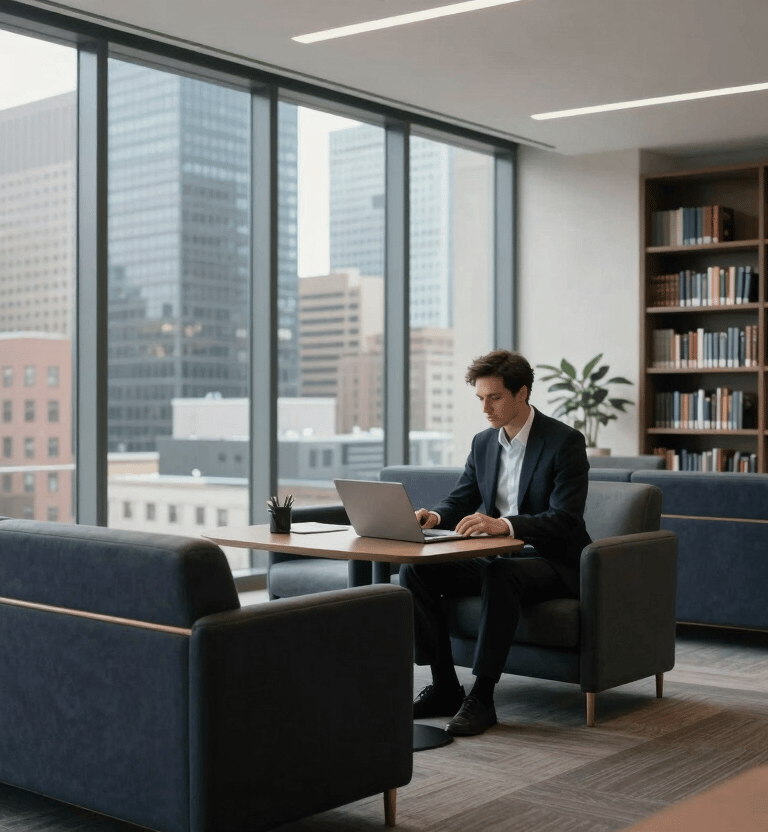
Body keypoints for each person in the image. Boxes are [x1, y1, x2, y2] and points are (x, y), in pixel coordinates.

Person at [399, 349, 590, 736]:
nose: (485, 408)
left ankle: (483, 698)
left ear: (522, 393)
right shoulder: (484, 443)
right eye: (481, 398)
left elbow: (565, 519)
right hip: (499, 556)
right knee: (416, 571)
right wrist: (434, 516)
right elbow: (461, 498)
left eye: (495, 398)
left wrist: (504, 525)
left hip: (553, 561)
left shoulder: (564, 442)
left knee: (501, 574)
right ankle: (445, 686)